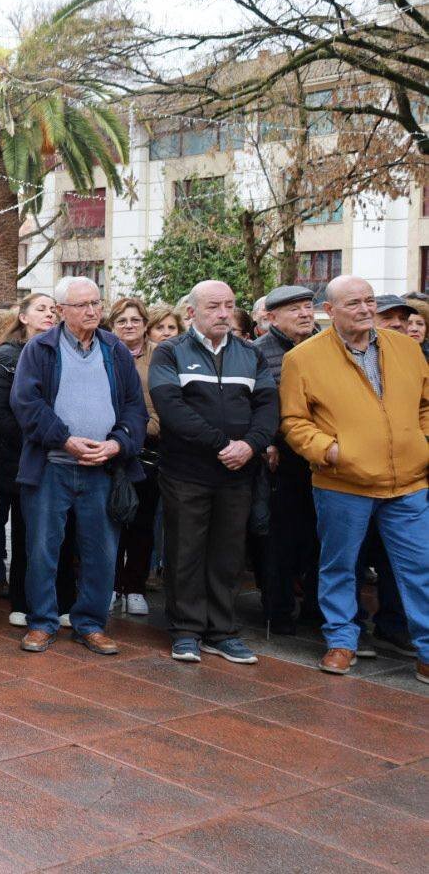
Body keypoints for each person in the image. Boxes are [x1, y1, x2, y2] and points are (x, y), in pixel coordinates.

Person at [279, 275, 429, 684]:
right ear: (330, 311)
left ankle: (427, 650)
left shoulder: (406, 348)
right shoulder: (302, 359)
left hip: (409, 482)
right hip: (342, 483)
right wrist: (330, 451)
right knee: (340, 566)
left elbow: (424, 405)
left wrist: (423, 442)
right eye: (354, 304)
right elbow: (294, 422)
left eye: (368, 301)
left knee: (421, 567)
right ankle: (342, 641)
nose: (365, 309)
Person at [10, 276, 147, 656]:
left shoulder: (115, 350)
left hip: (102, 468)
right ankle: (41, 622)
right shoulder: (40, 349)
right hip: (51, 466)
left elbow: (136, 407)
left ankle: (90, 623)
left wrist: (117, 443)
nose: (92, 311)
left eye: (96, 303)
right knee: (43, 548)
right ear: (61, 311)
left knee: (102, 550)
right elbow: (26, 403)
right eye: (82, 305)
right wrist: (65, 439)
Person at [148, 281, 279, 666]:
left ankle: (222, 631)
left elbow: (269, 406)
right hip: (186, 471)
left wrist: (250, 445)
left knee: (227, 554)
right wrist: (223, 444)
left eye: (229, 305)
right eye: (214, 306)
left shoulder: (250, 355)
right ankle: (186, 630)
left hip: (238, 473)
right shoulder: (169, 353)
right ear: (192, 312)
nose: (223, 312)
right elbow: (171, 409)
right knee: (186, 550)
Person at [0, 293, 65, 628]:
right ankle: (21, 598)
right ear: (24, 317)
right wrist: (35, 438)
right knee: (24, 532)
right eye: (41, 308)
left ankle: (61, 601)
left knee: (62, 534)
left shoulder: (69, 353)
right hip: (22, 457)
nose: (49, 314)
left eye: (53, 309)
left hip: (64, 456)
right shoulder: (6, 356)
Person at [253, 284, 320, 635]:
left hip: (326, 458)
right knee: (278, 539)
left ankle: (316, 608)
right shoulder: (257, 353)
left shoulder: (328, 346)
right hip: (281, 459)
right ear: (271, 317)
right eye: (295, 309)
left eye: (308, 307)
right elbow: (257, 404)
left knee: (320, 538)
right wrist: (268, 442)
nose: (305, 314)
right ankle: (277, 611)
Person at [109, 297, 160, 619]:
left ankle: (136, 586)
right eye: (122, 321)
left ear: (145, 323)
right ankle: (112, 584)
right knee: (111, 520)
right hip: (110, 447)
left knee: (142, 522)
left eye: (135, 320)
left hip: (150, 447)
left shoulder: (161, 355)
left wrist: (139, 431)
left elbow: (165, 403)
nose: (129, 326)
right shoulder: (104, 352)